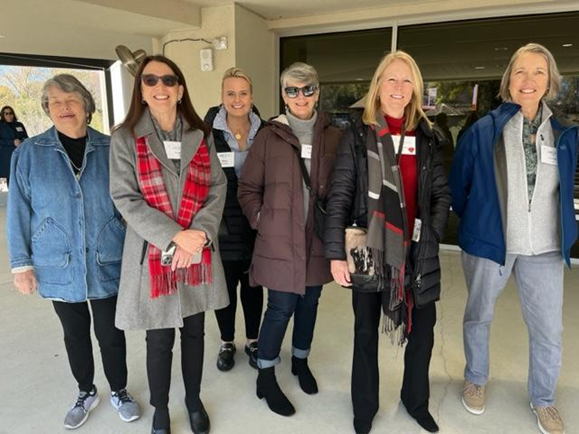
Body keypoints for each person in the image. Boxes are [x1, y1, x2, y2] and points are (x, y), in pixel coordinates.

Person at [450, 43, 578, 434]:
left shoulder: (564, 133)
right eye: (521, 71)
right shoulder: (484, 130)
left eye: (538, 72)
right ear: (509, 81)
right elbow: (459, 187)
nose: (529, 80)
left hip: (545, 247)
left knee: (548, 329)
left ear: (549, 82)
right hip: (492, 243)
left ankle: (544, 399)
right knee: (479, 315)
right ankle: (475, 378)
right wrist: (481, 220)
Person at [324, 51, 451, 434]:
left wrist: (431, 234)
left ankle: (416, 401)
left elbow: (440, 194)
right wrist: (336, 254)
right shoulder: (357, 135)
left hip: (417, 249)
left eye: (406, 80)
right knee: (365, 332)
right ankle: (364, 408)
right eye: (391, 79)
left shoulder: (427, 136)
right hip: (368, 248)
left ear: (416, 89)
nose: (398, 87)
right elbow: (340, 195)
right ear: (378, 86)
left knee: (422, 332)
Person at [6, 74, 141, 430]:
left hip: (106, 257)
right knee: (74, 333)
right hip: (57, 261)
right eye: (55, 102)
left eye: (71, 100)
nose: (63, 107)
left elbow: (131, 203)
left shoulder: (112, 148)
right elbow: (18, 211)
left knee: (111, 333)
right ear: (47, 109)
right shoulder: (28, 154)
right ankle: (86, 391)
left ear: (86, 105)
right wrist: (21, 265)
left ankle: (119, 389)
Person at [110, 55, 228, 434]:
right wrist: (175, 236)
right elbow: (125, 197)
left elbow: (218, 186)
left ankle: (193, 400)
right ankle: (161, 409)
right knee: (159, 339)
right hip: (154, 254)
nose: (160, 87)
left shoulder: (201, 134)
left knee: (194, 332)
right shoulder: (125, 137)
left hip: (196, 254)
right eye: (150, 80)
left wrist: (200, 234)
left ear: (180, 89)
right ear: (141, 91)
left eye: (168, 80)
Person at [238, 62, 341, 417]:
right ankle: (266, 374)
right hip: (279, 240)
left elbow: (342, 190)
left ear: (318, 92)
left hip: (317, 239)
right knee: (280, 307)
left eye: (307, 89)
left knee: (310, 303)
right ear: (283, 95)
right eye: (292, 90)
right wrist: (262, 219)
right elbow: (248, 188)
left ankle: (300, 360)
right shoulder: (269, 136)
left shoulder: (334, 136)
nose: (300, 96)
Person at [204, 67, 265, 372]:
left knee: (253, 285)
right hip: (222, 223)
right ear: (222, 96)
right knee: (225, 288)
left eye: (243, 93)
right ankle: (227, 341)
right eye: (231, 93)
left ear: (251, 97)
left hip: (256, 221)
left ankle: (253, 340)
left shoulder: (266, 131)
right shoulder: (206, 132)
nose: (237, 99)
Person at [0, 105, 28, 185]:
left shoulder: (19, 124)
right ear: (2, 115)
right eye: (6, 113)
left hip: (21, 154)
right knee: (11, 177)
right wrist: (12, 142)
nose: (9, 115)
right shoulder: (1, 126)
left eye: (11, 113)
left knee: (22, 175)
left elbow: (26, 137)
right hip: (7, 155)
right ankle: (12, 192)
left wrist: (22, 141)